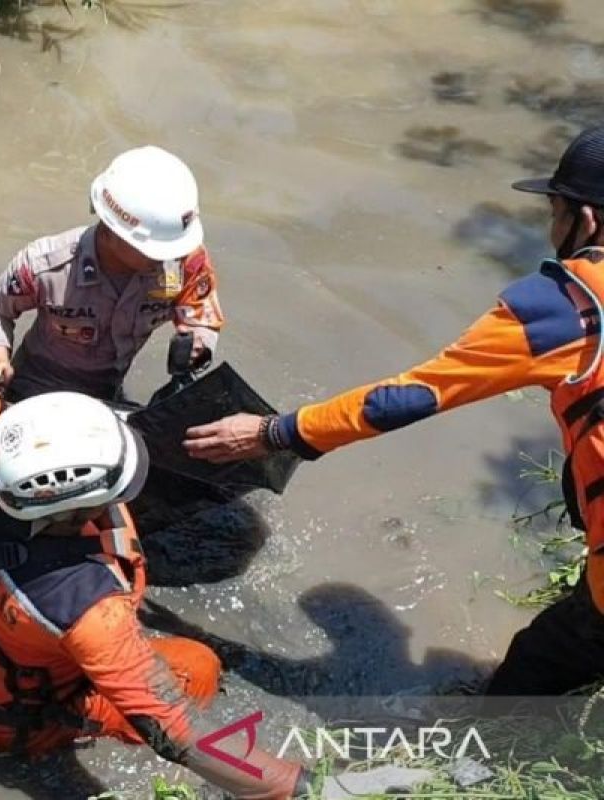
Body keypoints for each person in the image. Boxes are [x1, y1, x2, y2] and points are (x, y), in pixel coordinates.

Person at [182, 125, 604, 696]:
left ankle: (483, 757)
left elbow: (410, 396)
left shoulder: (563, 310)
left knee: (532, 673)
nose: (550, 229)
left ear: (588, 220)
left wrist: (274, 433)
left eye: (554, 212)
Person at [0, 392, 426, 798]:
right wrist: (305, 787)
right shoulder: (87, 608)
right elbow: (178, 735)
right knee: (198, 667)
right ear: (75, 511)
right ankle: (57, 742)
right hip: (20, 724)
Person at [0, 146, 224, 402]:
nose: (168, 259)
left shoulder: (187, 263)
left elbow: (201, 317)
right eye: (156, 250)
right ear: (112, 234)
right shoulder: (46, 264)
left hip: (107, 390)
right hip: (35, 383)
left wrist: (197, 345)